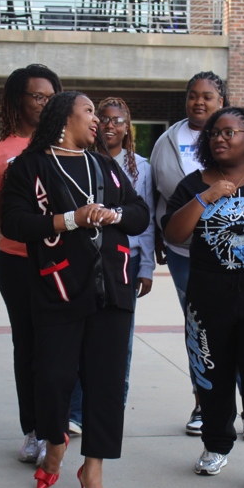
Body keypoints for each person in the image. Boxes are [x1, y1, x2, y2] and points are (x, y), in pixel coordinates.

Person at [0, 91, 150, 488]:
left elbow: (139, 212)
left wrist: (113, 215)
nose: (98, 120)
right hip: (58, 288)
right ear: (64, 118)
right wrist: (71, 219)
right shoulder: (30, 165)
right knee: (51, 376)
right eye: (89, 112)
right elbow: (13, 222)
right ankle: (54, 442)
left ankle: (94, 469)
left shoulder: (104, 165)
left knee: (105, 384)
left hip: (113, 288)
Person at [162, 107, 244, 488]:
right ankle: (216, 446)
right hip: (209, 297)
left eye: (229, 132)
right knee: (212, 375)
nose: (219, 138)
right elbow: (174, 234)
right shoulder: (193, 184)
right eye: (214, 133)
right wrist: (207, 197)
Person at [0, 64, 62, 463]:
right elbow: (1, 216)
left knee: (56, 349)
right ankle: (32, 431)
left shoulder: (65, 146)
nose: (44, 103)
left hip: (61, 263)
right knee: (27, 347)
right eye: (37, 96)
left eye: (50, 96)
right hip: (17, 264)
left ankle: (56, 428)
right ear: (19, 101)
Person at [150, 71, 228, 436]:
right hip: (185, 250)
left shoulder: (241, 133)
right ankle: (203, 403)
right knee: (199, 328)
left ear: (221, 101)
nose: (199, 102)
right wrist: (158, 237)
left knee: (237, 326)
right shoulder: (168, 141)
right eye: (193, 95)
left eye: (207, 96)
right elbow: (155, 194)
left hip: (234, 250)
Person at [96, 97, 155, 404]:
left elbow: (146, 221)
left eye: (117, 120)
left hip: (126, 261)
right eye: (104, 118)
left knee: (120, 336)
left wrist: (146, 267)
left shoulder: (140, 167)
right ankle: (78, 409)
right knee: (88, 332)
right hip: (91, 257)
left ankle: (115, 400)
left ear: (127, 128)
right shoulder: (84, 159)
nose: (110, 125)